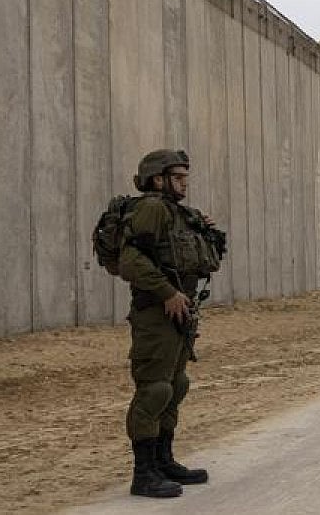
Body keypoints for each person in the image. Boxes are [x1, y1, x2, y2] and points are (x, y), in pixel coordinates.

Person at [118, 149, 220, 498]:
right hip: (156, 313)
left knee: (176, 385)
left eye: (185, 177)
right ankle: (143, 473)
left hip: (179, 312)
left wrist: (204, 231)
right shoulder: (152, 208)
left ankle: (163, 460)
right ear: (157, 180)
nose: (184, 183)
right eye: (177, 178)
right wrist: (167, 293)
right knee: (154, 389)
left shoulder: (178, 213)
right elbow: (130, 259)